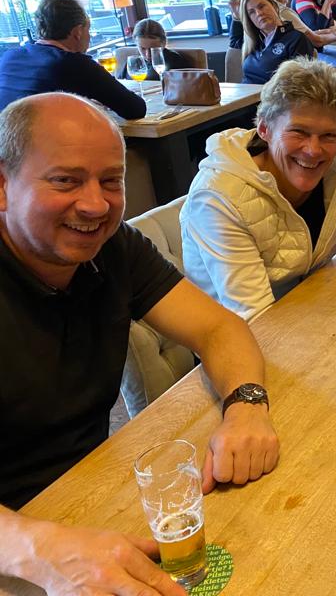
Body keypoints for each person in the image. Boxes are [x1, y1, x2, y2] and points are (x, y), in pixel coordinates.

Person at [0, 93, 279, 595]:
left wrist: (246, 406)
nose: (95, 204)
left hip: (100, 500)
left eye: (111, 180)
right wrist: (39, 548)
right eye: (65, 180)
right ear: (3, 186)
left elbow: (219, 329)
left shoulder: (113, 249)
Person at [181, 57, 336, 321]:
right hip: (238, 331)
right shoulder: (219, 199)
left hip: (309, 305)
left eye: (328, 135)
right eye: (298, 132)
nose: (313, 150)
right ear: (264, 128)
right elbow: (257, 317)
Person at [0, 0, 145, 120]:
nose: (89, 37)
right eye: (88, 30)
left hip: (7, 141)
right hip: (46, 143)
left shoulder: (9, 57)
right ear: (78, 32)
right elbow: (135, 109)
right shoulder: (75, 64)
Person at [229, 0, 317, 86]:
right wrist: (236, 17)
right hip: (244, 92)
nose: (259, 13)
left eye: (261, 6)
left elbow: (300, 84)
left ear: (274, 6)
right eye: (252, 12)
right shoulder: (256, 42)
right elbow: (234, 43)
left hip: (270, 94)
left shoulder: (296, 39)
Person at [115, 18, 192, 81]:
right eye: (143, 48)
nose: (148, 54)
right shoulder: (133, 62)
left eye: (153, 49)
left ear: (164, 43)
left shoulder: (177, 63)